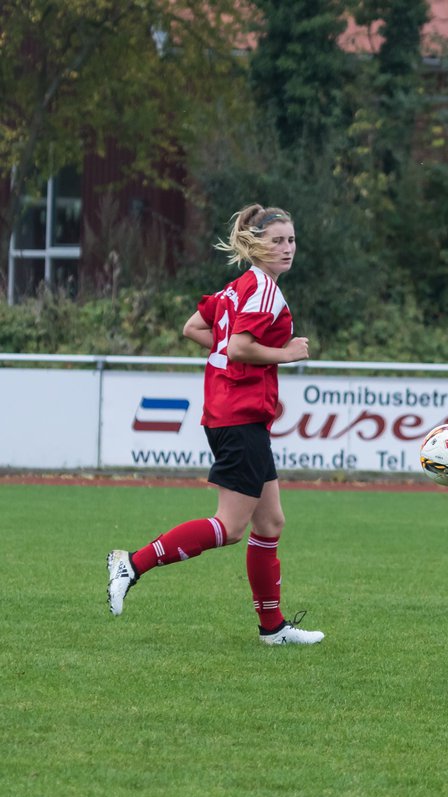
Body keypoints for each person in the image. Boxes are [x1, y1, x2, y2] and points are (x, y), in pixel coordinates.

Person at [105, 204, 324, 646]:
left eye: (292, 240)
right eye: (277, 240)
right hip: (238, 417)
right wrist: (286, 354)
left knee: (271, 523)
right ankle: (131, 563)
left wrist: (237, 355)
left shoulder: (237, 287)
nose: (287, 248)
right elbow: (241, 347)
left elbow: (193, 327)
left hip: (234, 415)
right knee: (230, 527)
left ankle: (272, 628)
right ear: (257, 244)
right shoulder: (262, 289)